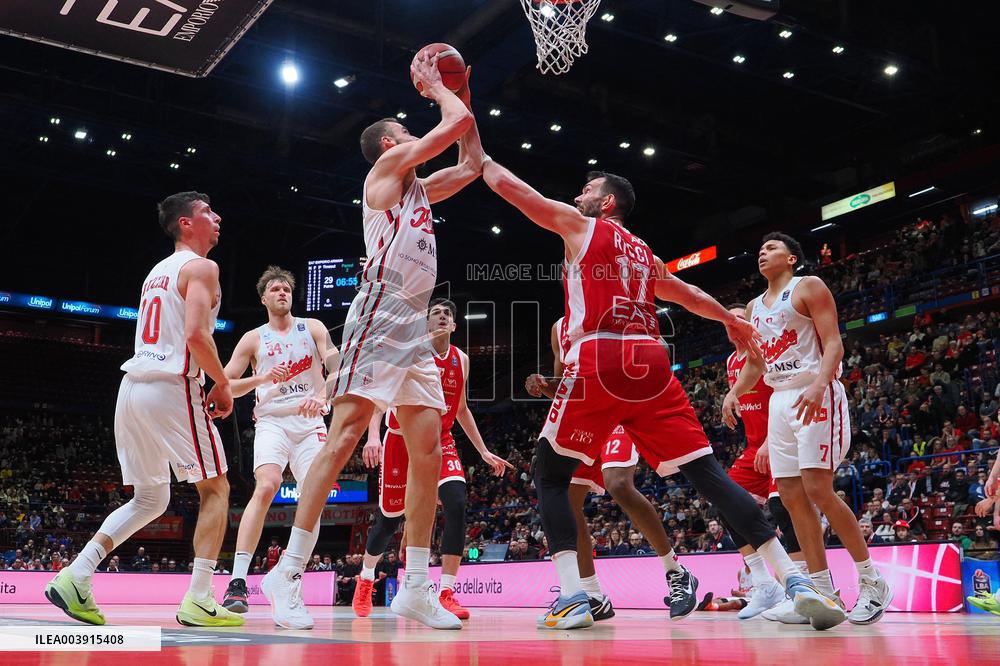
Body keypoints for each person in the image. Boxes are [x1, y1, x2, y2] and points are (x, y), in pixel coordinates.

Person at [481, 165, 837, 630]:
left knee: (549, 476)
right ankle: (794, 579)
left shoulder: (583, 227)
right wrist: (728, 319)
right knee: (708, 475)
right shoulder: (643, 252)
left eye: (587, 190)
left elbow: (515, 190)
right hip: (650, 360)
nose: (578, 195)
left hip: (601, 355)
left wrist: (474, 150)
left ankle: (572, 596)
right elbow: (686, 293)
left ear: (607, 202)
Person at [262, 52, 483, 631]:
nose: (413, 136)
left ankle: (415, 586)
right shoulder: (383, 172)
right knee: (343, 438)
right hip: (382, 312)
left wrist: (462, 93)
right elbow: (453, 125)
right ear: (390, 144)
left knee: (428, 448)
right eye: (406, 132)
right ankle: (287, 572)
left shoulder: (420, 191)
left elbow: (472, 161)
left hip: (414, 324)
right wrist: (439, 90)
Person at [44, 192, 242, 627]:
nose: (217, 216)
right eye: (207, 211)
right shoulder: (202, 267)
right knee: (216, 488)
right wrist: (223, 383)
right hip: (171, 386)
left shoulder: (157, 272)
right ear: (185, 223)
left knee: (151, 498)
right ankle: (200, 598)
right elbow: (195, 335)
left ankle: (76, 575)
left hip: (132, 388)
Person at [724, 232, 892, 627]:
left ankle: (873, 581)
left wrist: (819, 384)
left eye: (772, 248)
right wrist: (734, 393)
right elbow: (756, 363)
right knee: (790, 496)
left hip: (815, 390)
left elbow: (833, 343)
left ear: (792, 258)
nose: (763, 252)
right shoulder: (754, 307)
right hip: (779, 400)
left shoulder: (808, 286)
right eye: (760, 249)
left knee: (818, 488)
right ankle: (821, 591)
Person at [524, 318, 692, 622]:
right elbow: (565, 388)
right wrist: (545, 385)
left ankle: (676, 571)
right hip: (585, 415)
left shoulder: (614, 310)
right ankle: (592, 594)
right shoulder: (558, 328)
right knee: (568, 500)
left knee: (618, 484)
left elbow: (658, 355)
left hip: (622, 411)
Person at [352, 299, 510, 620]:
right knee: (389, 520)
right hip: (399, 438)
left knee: (456, 503)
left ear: (454, 325)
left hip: (441, 438)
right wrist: (372, 437)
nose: (441, 316)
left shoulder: (461, 359)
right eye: (435, 313)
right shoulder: (410, 351)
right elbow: (381, 396)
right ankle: (366, 578)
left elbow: (461, 409)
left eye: (447, 314)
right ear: (425, 324)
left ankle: (446, 591)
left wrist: (482, 450)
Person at [221, 266, 339, 618]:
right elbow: (225, 385)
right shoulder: (253, 339)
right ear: (263, 299)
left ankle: (289, 575)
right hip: (272, 421)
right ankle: (237, 581)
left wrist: (322, 395)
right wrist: (261, 378)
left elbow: (337, 367)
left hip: (310, 421)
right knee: (267, 485)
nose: (282, 292)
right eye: (275, 289)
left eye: (286, 288)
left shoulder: (313, 327)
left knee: (314, 496)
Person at [721, 305, 808, 622]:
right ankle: (764, 584)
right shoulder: (731, 361)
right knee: (725, 502)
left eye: (740, 319)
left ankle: (801, 589)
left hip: (782, 440)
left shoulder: (770, 352)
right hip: (754, 447)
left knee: (782, 507)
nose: (734, 324)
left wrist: (771, 441)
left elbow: (787, 395)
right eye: (729, 321)